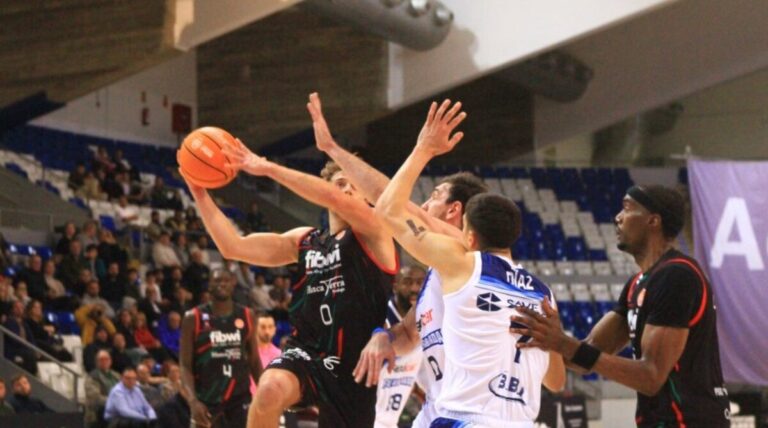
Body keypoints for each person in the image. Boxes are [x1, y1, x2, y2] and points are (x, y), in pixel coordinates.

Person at [372, 99, 565, 426]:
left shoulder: (463, 266)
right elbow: (556, 382)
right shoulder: (542, 294)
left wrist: (423, 149)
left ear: (469, 236)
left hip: (464, 419)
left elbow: (387, 210)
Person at [307, 93, 485, 428]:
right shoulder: (439, 272)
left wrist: (332, 148)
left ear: (453, 211)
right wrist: (383, 337)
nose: (425, 202)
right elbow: (408, 334)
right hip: (440, 408)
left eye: (434, 196)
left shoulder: (467, 249)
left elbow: (393, 206)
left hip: (474, 412)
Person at [208, 128, 398, 428]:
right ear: (324, 193)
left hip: (355, 365)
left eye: (352, 186)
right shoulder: (304, 240)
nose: (345, 191)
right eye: (338, 184)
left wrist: (268, 168)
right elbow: (233, 246)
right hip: (306, 352)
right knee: (269, 390)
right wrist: (198, 190)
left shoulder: (375, 233)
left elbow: (341, 201)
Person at [512, 185, 730, 428]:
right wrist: (526, 345)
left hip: (689, 421)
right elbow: (587, 352)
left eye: (627, 208)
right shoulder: (638, 282)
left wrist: (560, 342)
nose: (617, 217)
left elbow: (651, 376)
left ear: (653, 220)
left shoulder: (677, 276)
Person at [180, 269, 261, 428]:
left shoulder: (247, 315)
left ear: (233, 284)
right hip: (207, 400)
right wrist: (193, 401)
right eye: (217, 280)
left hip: (240, 399)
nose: (222, 284)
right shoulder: (193, 318)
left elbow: (254, 360)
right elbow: (184, 365)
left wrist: (266, 391)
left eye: (226, 280)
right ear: (209, 285)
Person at [373, 265, 426, 428]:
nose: (414, 289)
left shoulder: (427, 322)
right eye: (408, 282)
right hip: (366, 419)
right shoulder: (379, 319)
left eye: (420, 283)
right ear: (395, 286)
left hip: (390, 422)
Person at [85, 349, 121, 427]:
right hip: (98, 413)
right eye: (101, 359)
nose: (104, 361)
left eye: (106, 359)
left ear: (110, 361)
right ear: (97, 362)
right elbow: (95, 398)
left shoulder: (116, 375)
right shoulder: (92, 377)